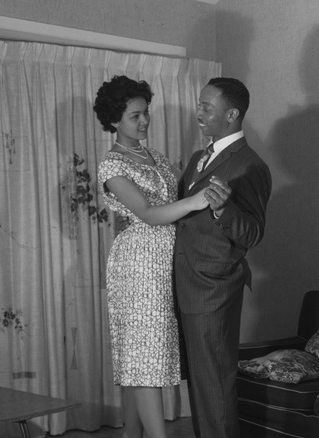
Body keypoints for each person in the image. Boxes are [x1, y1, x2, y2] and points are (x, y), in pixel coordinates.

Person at [95, 75, 210, 438]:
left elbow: (186, 182)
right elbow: (147, 212)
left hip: (165, 260)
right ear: (114, 120)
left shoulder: (154, 156)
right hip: (139, 262)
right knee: (144, 358)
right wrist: (195, 201)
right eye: (135, 116)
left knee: (143, 355)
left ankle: (132, 435)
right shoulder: (112, 165)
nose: (144, 121)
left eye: (146, 113)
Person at [174, 77, 272, 438]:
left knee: (214, 384)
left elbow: (253, 233)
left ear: (231, 114)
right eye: (199, 105)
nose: (197, 112)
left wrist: (222, 210)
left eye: (206, 107)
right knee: (201, 385)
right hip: (188, 280)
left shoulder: (251, 165)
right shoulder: (202, 157)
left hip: (212, 288)